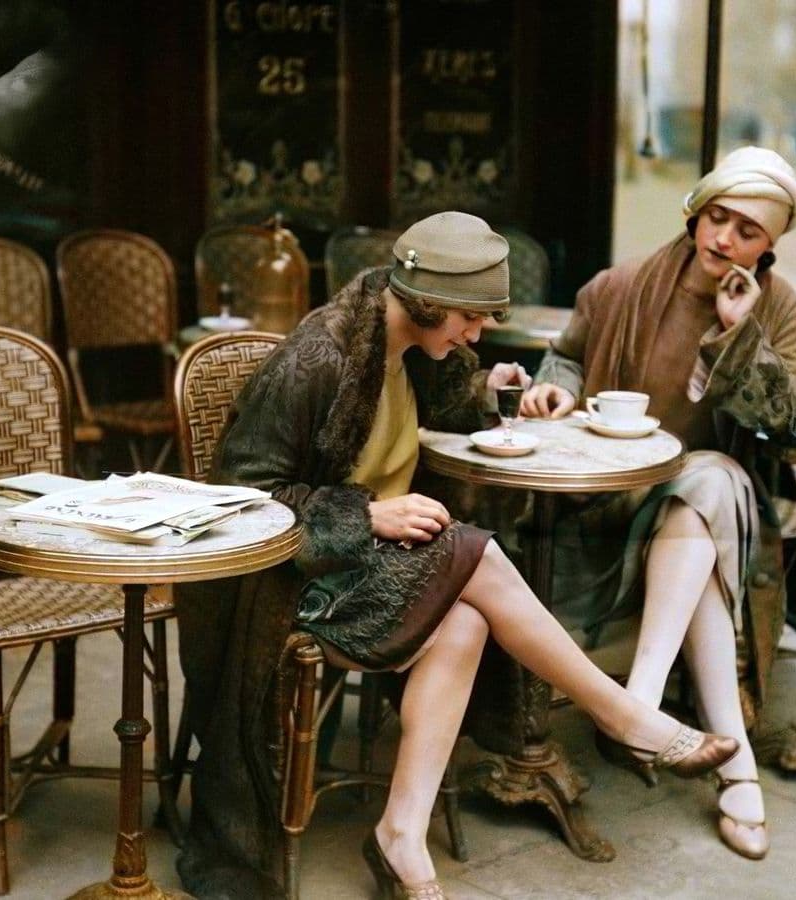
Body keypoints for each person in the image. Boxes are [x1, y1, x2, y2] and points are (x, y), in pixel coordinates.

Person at [175, 211, 740, 900]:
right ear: (430, 301)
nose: (477, 331)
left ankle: (400, 837)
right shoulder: (318, 356)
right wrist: (369, 514)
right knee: (474, 553)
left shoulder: (403, 345)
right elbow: (243, 497)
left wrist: (501, 388)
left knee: (469, 618)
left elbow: (451, 401)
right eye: (471, 319)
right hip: (294, 578)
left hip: (366, 564)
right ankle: (621, 715)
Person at [520, 146, 796, 860]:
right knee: (700, 544)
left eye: (749, 231)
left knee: (708, 479)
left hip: (710, 508)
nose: (726, 240)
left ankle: (638, 702)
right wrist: (554, 387)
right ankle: (736, 767)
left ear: (769, 245)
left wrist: (741, 333)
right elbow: (565, 358)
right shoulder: (619, 287)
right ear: (695, 212)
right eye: (718, 219)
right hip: (610, 510)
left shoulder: (775, 307)